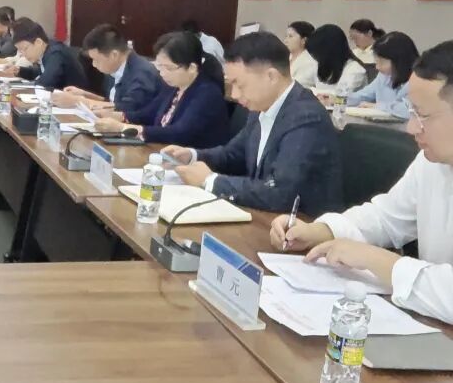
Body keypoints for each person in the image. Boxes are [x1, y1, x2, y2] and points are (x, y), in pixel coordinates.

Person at [270, 40, 453, 325]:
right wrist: (322, 231)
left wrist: (380, 261)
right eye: (412, 112)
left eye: (423, 115)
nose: (411, 127)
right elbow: (386, 217)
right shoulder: (433, 162)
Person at [162, 31, 343, 215]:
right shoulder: (261, 107)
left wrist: (211, 181)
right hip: (264, 215)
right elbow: (234, 155)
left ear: (271, 77)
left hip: (300, 224)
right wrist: (193, 156)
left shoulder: (306, 117)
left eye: (239, 85)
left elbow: (281, 191)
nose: (234, 94)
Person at [95, 32, 230, 148]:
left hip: (194, 162)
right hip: (162, 152)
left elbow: (178, 133)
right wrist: (117, 116)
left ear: (192, 68)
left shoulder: (207, 94)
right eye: (160, 66)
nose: (162, 73)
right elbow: (149, 114)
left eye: (169, 68)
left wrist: (123, 128)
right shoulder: (173, 86)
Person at [54, 24, 162, 121]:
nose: (94, 64)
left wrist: (77, 101)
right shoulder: (116, 67)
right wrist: (85, 95)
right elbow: (113, 102)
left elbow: (125, 110)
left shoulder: (142, 73)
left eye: (96, 59)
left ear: (114, 55)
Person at [0, 18, 89, 90]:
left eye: (25, 49)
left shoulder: (56, 53)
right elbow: (40, 72)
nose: (23, 54)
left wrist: (24, 87)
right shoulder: (47, 50)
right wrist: (19, 71)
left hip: (75, 103)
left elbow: (46, 82)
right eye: (20, 50)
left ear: (38, 42)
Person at [346, 31, 418, 120]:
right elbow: (363, 95)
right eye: (376, 62)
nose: (377, 67)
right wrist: (338, 99)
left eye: (382, 62)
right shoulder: (383, 76)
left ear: (400, 61)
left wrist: (378, 106)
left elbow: (410, 110)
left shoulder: (419, 80)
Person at [307, 24, 368, 94]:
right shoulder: (321, 66)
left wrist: (313, 92)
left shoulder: (355, 70)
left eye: (318, 54)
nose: (315, 58)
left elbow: (341, 95)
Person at [284, 21, 318, 88]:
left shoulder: (310, 63)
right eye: (286, 36)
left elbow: (296, 87)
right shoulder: (284, 57)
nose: (285, 41)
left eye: (290, 36)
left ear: (304, 40)